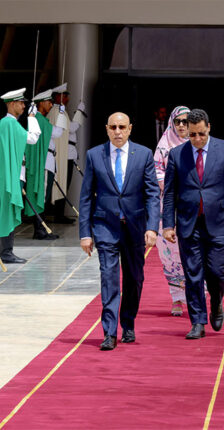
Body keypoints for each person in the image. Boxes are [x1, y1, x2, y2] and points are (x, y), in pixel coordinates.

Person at [79, 112, 160, 350]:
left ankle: (128, 322)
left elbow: (152, 194)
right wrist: (85, 233)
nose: (117, 132)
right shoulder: (94, 155)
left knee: (134, 279)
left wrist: (152, 227)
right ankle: (109, 332)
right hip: (105, 226)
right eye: (113, 127)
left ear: (130, 129)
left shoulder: (143, 154)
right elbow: (86, 196)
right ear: (107, 129)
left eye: (122, 127)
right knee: (109, 278)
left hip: (135, 228)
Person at [162, 109, 224, 340]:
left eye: (201, 134)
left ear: (209, 127)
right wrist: (167, 224)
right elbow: (169, 193)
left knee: (216, 271)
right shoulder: (177, 154)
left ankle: (216, 302)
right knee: (193, 274)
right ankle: (197, 321)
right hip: (189, 223)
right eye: (192, 135)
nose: (197, 139)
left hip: (219, 222)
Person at [0, 88, 41, 263]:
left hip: (14, 174)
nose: (24, 106)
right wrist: (32, 118)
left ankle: (7, 251)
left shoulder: (9, 123)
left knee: (8, 212)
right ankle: (6, 253)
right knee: (7, 213)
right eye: (21, 103)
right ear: (12, 104)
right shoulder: (9, 123)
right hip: (11, 176)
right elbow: (33, 138)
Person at [153, 105, 191, 316]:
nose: (182, 125)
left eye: (186, 121)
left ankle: (195, 296)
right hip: (168, 205)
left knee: (193, 250)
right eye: (178, 121)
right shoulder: (164, 145)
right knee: (169, 252)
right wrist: (171, 188)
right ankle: (177, 297)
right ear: (172, 123)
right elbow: (157, 170)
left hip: (192, 206)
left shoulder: (197, 142)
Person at [27, 88, 64, 240]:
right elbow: (58, 133)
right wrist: (61, 115)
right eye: (49, 102)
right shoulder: (39, 119)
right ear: (41, 103)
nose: (50, 105)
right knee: (41, 197)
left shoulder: (40, 119)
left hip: (48, 161)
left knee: (43, 197)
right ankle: (40, 231)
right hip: (44, 163)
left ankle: (42, 229)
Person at [46, 83, 82, 224]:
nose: (67, 98)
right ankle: (58, 214)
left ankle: (58, 213)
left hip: (67, 152)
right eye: (64, 95)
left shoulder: (60, 111)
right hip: (64, 153)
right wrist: (79, 112)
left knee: (63, 183)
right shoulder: (58, 111)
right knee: (62, 183)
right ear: (58, 97)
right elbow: (72, 128)